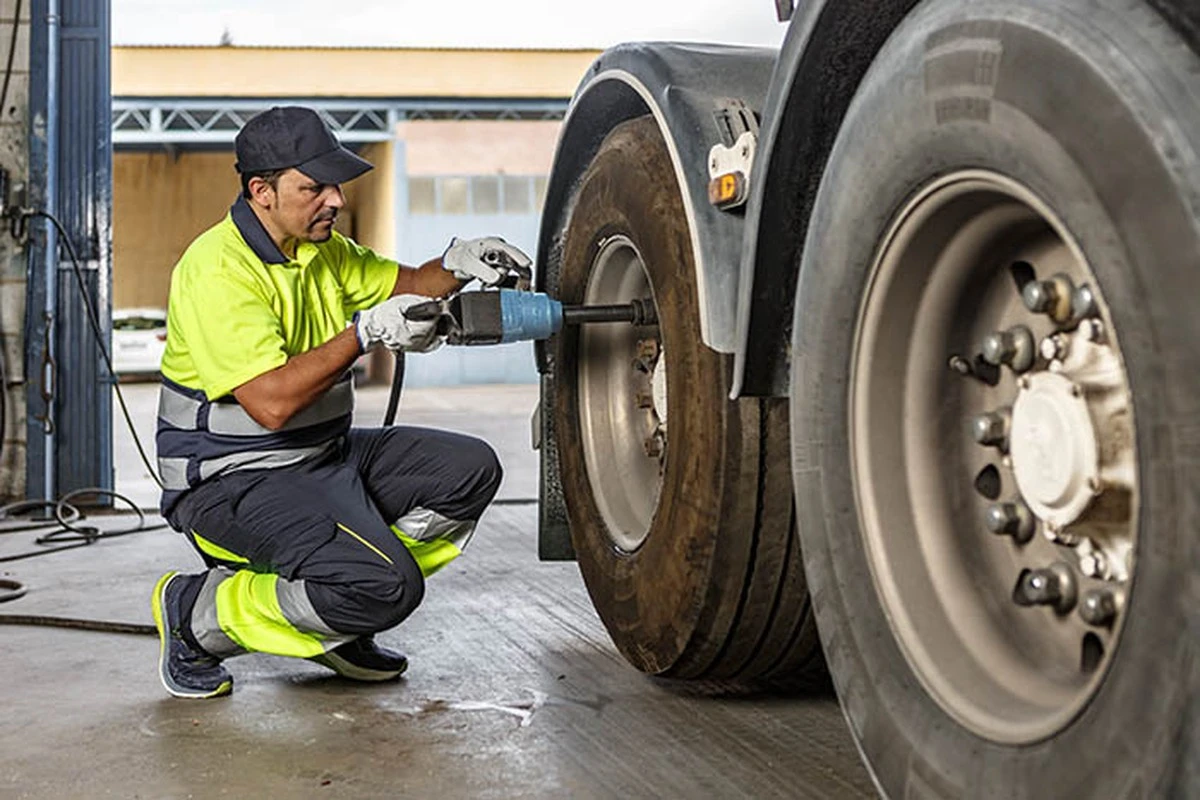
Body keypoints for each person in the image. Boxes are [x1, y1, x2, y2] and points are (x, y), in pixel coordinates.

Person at [150, 106, 533, 699]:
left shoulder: (322, 249)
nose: (333, 198)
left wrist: (458, 264)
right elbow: (271, 404)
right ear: (262, 191)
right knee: (386, 585)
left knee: (469, 471)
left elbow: (408, 284)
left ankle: (338, 609)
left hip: (321, 458)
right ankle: (197, 613)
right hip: (231, 483)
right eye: (314, 186)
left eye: (335, 184)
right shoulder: (217, 270)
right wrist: (364, 333)